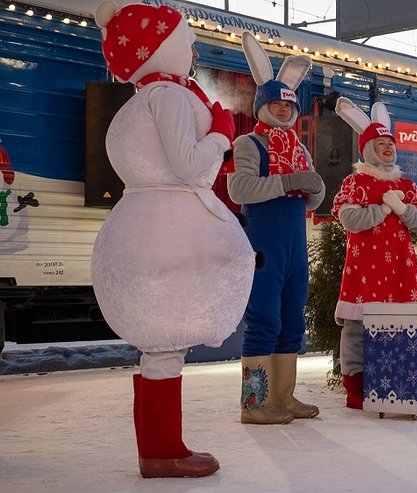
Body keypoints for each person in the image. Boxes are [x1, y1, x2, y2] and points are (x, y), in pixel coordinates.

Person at [92, 1, 255, 478]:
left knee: (158, 351)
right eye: (188, 40)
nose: (195, 50)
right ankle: (163, 452)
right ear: (160, 45)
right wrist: (222, 134)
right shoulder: (167, 96)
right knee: (164, 349)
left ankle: (160, 447)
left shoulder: (135, 104)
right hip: (166, 239)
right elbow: (188, 165)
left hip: (139, 228)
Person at [228, 33, 325, 425]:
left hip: (294, 243)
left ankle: (283, 398)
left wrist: (315, 188)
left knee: (291, 320)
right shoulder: (249, 143)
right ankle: (254, 404)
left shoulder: (297, 148)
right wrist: (289, 182)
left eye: (289, 104)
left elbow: (311, 199)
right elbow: (239, 189)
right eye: (276, 103)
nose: (284, 109)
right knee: (263, 319)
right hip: (264, 244)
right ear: (261, 106)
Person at [331, 97, 417, 409]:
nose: (388, 148)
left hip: (399, 267)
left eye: (390, 143)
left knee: (402, 324)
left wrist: (402, 208)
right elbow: (350, 219)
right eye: (380, 143)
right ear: (367, 149)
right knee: (357, 327)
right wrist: (384, 209)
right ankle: (356, 386)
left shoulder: (406, 184)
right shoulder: (355, 182)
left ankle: (397, 380)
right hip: (365, 267)